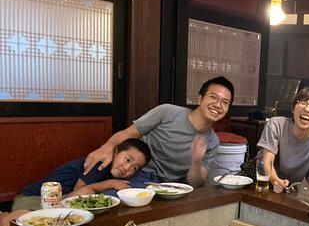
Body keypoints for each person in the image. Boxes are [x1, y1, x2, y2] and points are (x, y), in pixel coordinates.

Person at [83, 76, 234, 187]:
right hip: (140, 174)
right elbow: (129, 133)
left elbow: (196, 183)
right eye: (213, 97)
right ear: (200, 99)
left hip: (172, 188)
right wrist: (107, 147)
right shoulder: (168, 112)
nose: (218, 105)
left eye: (225, 102)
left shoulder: (213, 142)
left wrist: (196, 162)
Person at [12, 138, 152, 211]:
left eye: (134, 168)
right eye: (127, 160)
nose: (127, 168)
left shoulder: (115, 170)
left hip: (60, 200)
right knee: (15, 223)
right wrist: (110, 183)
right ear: (115, 151)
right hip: (35, 197)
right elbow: (79, 192)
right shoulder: (100, 164)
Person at [257, 87, 309, 193]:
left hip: (289, 191)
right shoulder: (276, 125)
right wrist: (275, 181)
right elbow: (267, 160)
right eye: (303, 103)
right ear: (293, 108)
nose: (307, 109)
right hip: (261, 182)